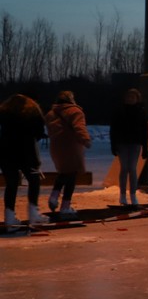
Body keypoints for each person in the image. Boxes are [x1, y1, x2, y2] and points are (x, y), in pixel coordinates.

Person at [1, 93, 48, 227]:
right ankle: (33, 213)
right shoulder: (32, 112)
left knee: (11, 184)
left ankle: (9, 216)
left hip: (6, 152)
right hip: (27, 152)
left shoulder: (4, 113)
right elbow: (39, 132)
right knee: (34, 180)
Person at [44, 90, 90, 218]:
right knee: (71, 176)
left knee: (63, 172)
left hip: (56, 147)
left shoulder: (50, 114)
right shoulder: (75, 111)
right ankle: (65, 206)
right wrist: (86, 139)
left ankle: (54, 196)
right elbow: (79, 127)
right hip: (71, 146)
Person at [109, 87, 148, 207]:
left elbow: (145, 131)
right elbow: (114, 129)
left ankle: (133, 194)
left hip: (135, 143)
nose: (130, 99)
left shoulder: (141, 112)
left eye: (133, 97)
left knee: (132, 168)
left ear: (137, 99)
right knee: (124, 168)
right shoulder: (119, 111)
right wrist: (113, 144)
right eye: (128, 97)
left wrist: (145, 148)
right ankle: (122, 195)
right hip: (122, 143)